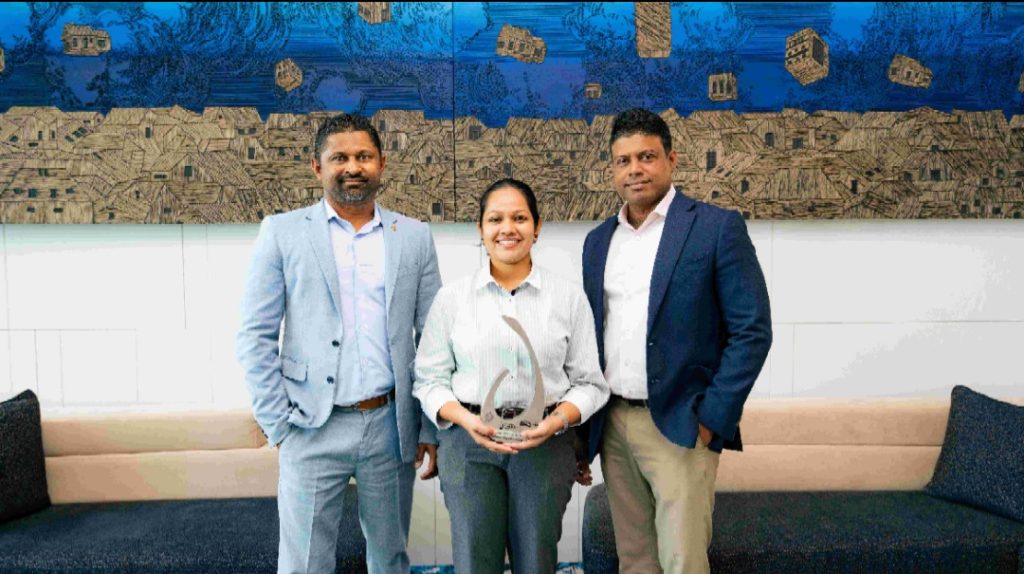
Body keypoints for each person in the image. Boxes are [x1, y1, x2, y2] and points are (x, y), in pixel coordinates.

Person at [236, 113, 442, 574]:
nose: (353, 167)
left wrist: (428, 427)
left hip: (390, 426)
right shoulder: (282, 232)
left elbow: (433, 339)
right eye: (340, 157)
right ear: (317, 167)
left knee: (390, 559)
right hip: (310, 425)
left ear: (381, 164)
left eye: (363, 156)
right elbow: (254, 335)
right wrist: (279, 425)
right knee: (305, 563)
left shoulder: (414, 237)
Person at [579, 108, 772, 574]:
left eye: (646, 156)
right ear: (612, 170)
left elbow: (752, 330)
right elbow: (591, 337)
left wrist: (712, 419)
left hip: (681, 425)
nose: (635, 169)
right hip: (613, 424)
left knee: (683, 562)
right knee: (634, 560)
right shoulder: (598, 241)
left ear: (671, 159)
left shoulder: (715, 228)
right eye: (623, 160)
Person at [414, 178, 610, 573]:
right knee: (474, 562)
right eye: (495, 219)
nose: (508, 228)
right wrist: (466, 420)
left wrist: (556, 421)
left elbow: (590, 383)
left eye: (519, 218)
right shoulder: (452, 299)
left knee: (536, 561)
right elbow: (429, 380)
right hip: (468, 444)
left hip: (545, 444)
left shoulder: (568, 298)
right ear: (480, 229)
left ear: (537, 227)